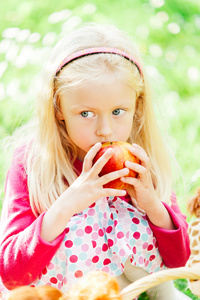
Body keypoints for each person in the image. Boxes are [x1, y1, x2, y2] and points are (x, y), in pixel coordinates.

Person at [0, 23, 191, 300]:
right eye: (86, 113)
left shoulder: (139, 159)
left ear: (136, 106)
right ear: (58, 110)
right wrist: (67, 205)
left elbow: (179, 260)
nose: (105, 130)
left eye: (117, 111)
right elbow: (12, 273)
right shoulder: (34, 162)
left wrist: (151, 204)